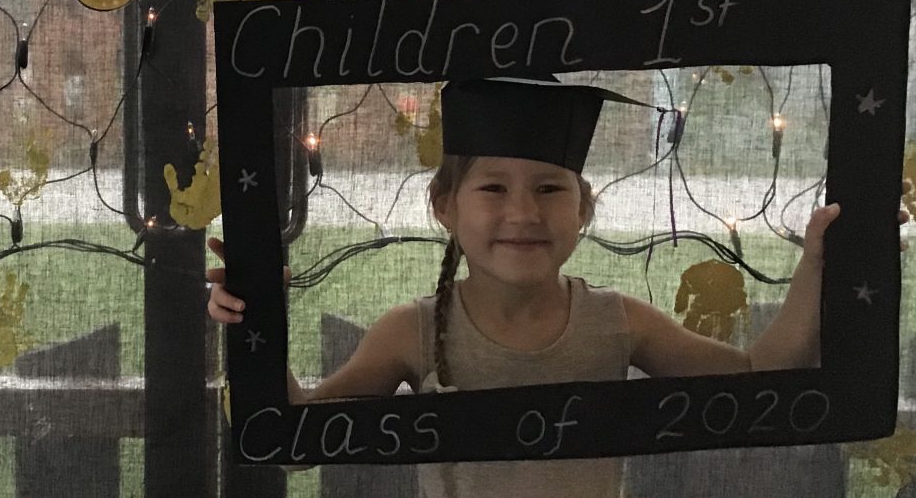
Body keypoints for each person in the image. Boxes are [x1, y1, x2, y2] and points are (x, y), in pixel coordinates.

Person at [207, 77, 909, 498]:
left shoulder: (617, 323)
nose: (523, 212)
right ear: (444, 207)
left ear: (583, 210)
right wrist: (252, 315)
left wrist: (819, 264)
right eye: (493, 188)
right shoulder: (410, 333)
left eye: (549, 189)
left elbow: (760, 379)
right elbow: (296, 437)